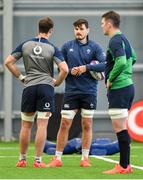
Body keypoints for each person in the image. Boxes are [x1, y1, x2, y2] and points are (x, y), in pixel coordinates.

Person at [4, 17, 68, 168]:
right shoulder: (52, 48)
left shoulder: (25, 45)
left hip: (29, 87)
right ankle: (38, 161)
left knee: (26, 126)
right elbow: (65, 69)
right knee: (42, 126)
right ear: (50, 31)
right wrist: (57, 82)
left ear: (38, 28)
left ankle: (22, 160)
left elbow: (8, 62)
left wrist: (21, 77)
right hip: (46, 87)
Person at [47, 19, 106, 167]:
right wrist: (67, 69)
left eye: (81, 29)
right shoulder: (67, 46)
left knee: (87, 124)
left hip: (89, 92)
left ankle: (85, 158)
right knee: (64, 123)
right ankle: (57, 158)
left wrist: (85, 68)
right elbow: (59, 62)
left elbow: (105, 64)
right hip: (71, 92)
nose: (78, 31)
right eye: (76, 29)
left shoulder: (95, 47)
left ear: (88, 30)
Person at [101, 11, 136, 174]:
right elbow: (133, 58)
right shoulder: (124, 39)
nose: (101, 26)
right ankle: (125, 164)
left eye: (102, 23)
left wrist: (111, 78)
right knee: (121, 127)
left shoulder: (115, 40)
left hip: (119, 88)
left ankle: (123, 166)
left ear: (109, 23)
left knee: (120, 128)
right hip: (127, 86)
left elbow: (121, 61)